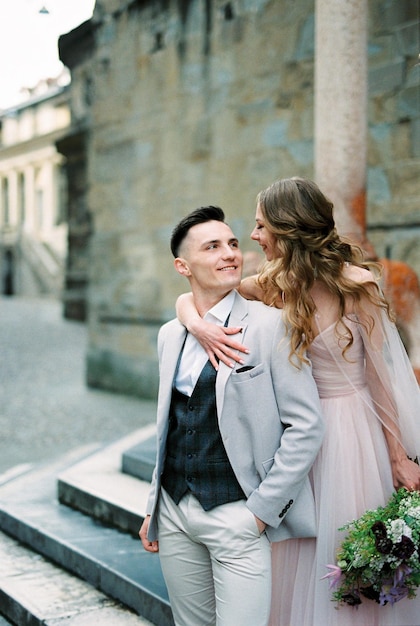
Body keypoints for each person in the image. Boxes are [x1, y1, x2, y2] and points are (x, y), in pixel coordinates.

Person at [176, 180, 420, 626]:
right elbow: (190, 297)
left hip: (354, 438)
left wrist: (399, 455)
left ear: (288, 230)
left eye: (260, 225)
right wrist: (198, 325)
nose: (252, 236)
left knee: (350, 553)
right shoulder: (269, 286)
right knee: (298, 557)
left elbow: (381, 378)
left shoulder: (357, 285)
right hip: (294, 439)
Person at [139, 205, 325, 626]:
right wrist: (155, 506)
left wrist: (260, 512)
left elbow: (307, 426)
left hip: (238, 514)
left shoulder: (272, 326)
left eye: (234, 244)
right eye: (213, 246)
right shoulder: (170, 334)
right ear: (182, 266)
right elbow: (169, 425)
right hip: (174, 511)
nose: (230, 254)